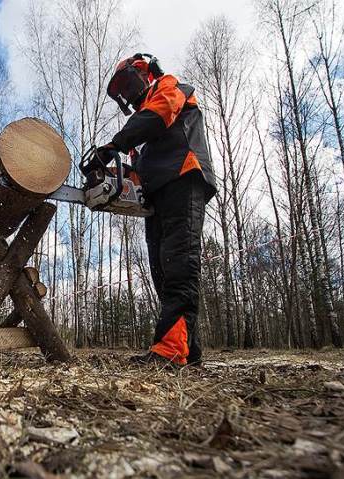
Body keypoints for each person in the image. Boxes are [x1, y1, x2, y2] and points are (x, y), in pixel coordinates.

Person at [100, 53, 217, 366]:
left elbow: (159, 114)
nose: (127, 92)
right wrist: (111, 178)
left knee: (179, 264)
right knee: (162, 272)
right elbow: (139, 171)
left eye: (128, 82)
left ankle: (170, 350)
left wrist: (114, 145)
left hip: (183, 178)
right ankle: (187, 351)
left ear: (145, 73)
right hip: (157, 194)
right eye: (121, 89)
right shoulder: (141, 132)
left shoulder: (169, 87)